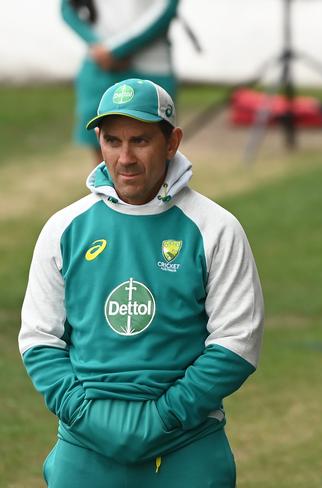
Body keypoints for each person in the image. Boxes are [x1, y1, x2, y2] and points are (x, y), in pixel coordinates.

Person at [19, 78, 263, 487]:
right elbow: (39, 338)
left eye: (140, 140)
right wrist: (83, 414)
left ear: (172, 142)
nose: (125, 157)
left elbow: (238, 341)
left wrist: (165, 416)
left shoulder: (216, 228)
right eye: (112, 141)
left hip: (186, 438)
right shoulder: (64, 228)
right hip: (86, 438)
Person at [61, 0, 179, 164]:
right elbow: (67, 8)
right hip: (99, 68)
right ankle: (105, 190)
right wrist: (97, 46)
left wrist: (116, 50)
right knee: (104, 158)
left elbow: (166, 7)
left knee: (152, 156)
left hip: (151, 67)